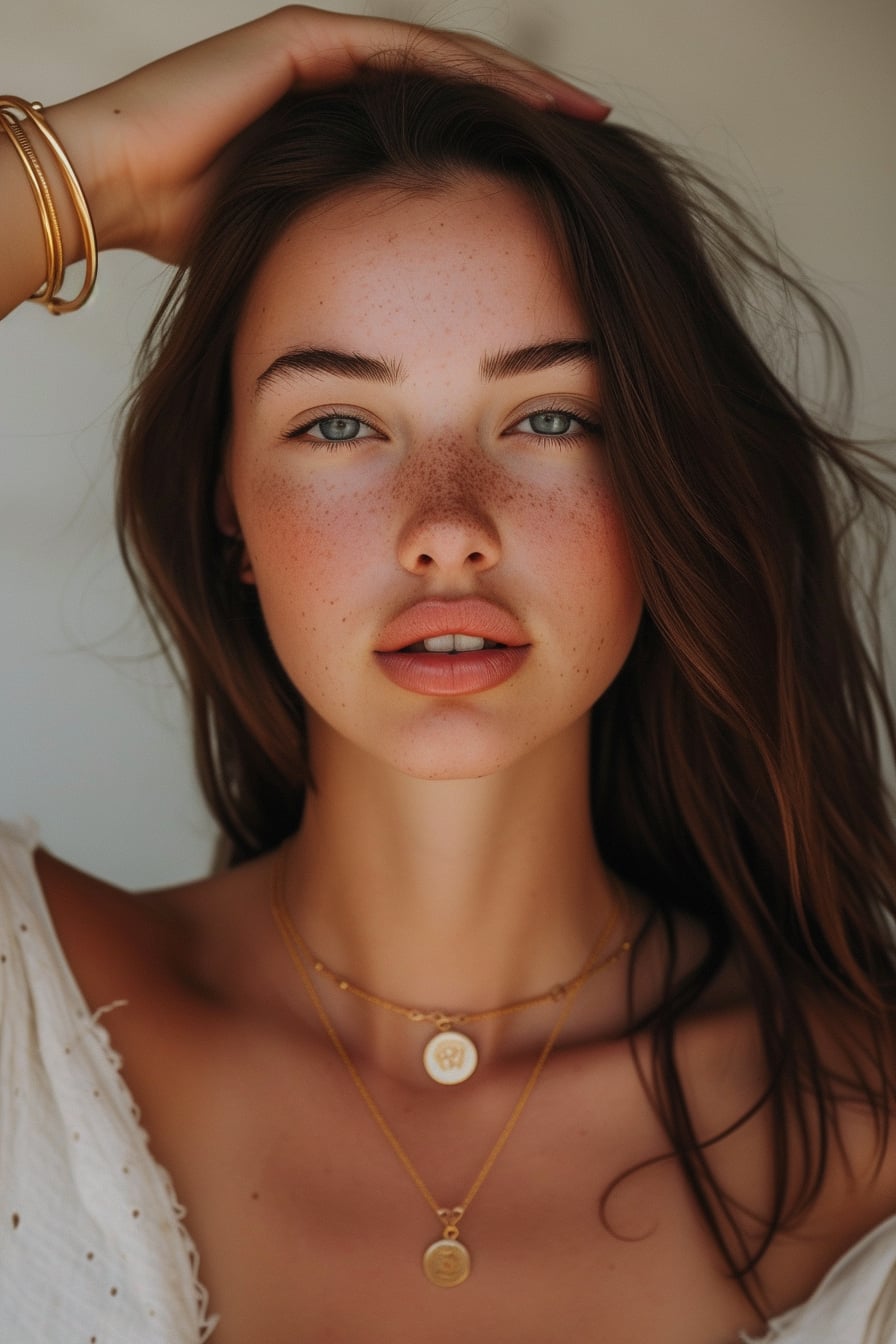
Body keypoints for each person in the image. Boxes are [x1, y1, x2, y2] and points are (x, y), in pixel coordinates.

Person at [1, 6, 895, 1342]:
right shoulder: (27, 1011)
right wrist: (81, 177)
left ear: (665, 480)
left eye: (548, 417)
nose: (446, 522)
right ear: (226, 509)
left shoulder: (869, 1140)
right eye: (339, 422)